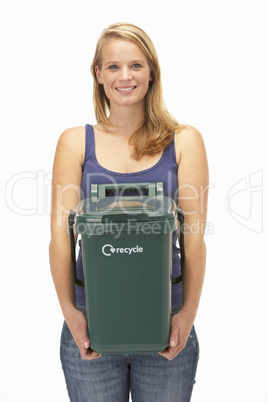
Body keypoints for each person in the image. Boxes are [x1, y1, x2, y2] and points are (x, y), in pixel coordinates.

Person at [49, 22, 209, 402]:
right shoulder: (76, 142)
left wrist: (187, 313)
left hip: (165, 313)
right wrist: (71, 312)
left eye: (136, 65)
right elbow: (60, 236)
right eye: (114, 66)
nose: (125, 76)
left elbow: (194, 236)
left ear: (151, 72)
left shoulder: (184, 141)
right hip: (91, 316)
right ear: (98, 74)